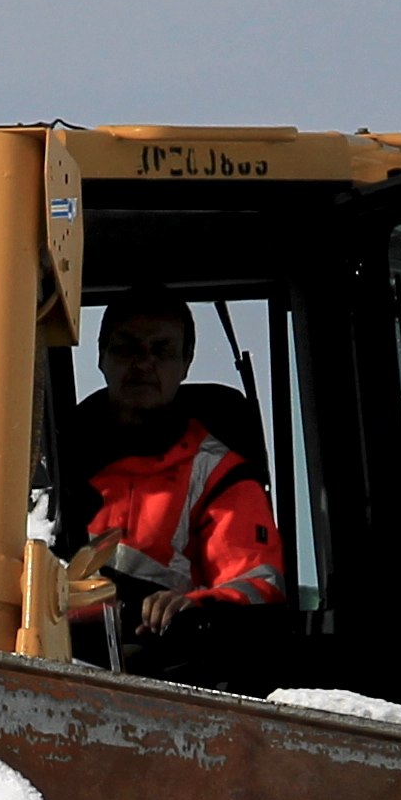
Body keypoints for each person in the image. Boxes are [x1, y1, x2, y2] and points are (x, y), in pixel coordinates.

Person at [64, 295, 284, 692]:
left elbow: (255, 585)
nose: (143, 363)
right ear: (101, 357)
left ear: (186, 362)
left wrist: (193, 607)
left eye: (161, 350)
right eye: (126, 348)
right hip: (47, 663)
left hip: (171, 681)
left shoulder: (217, 474)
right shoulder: (44, 461)